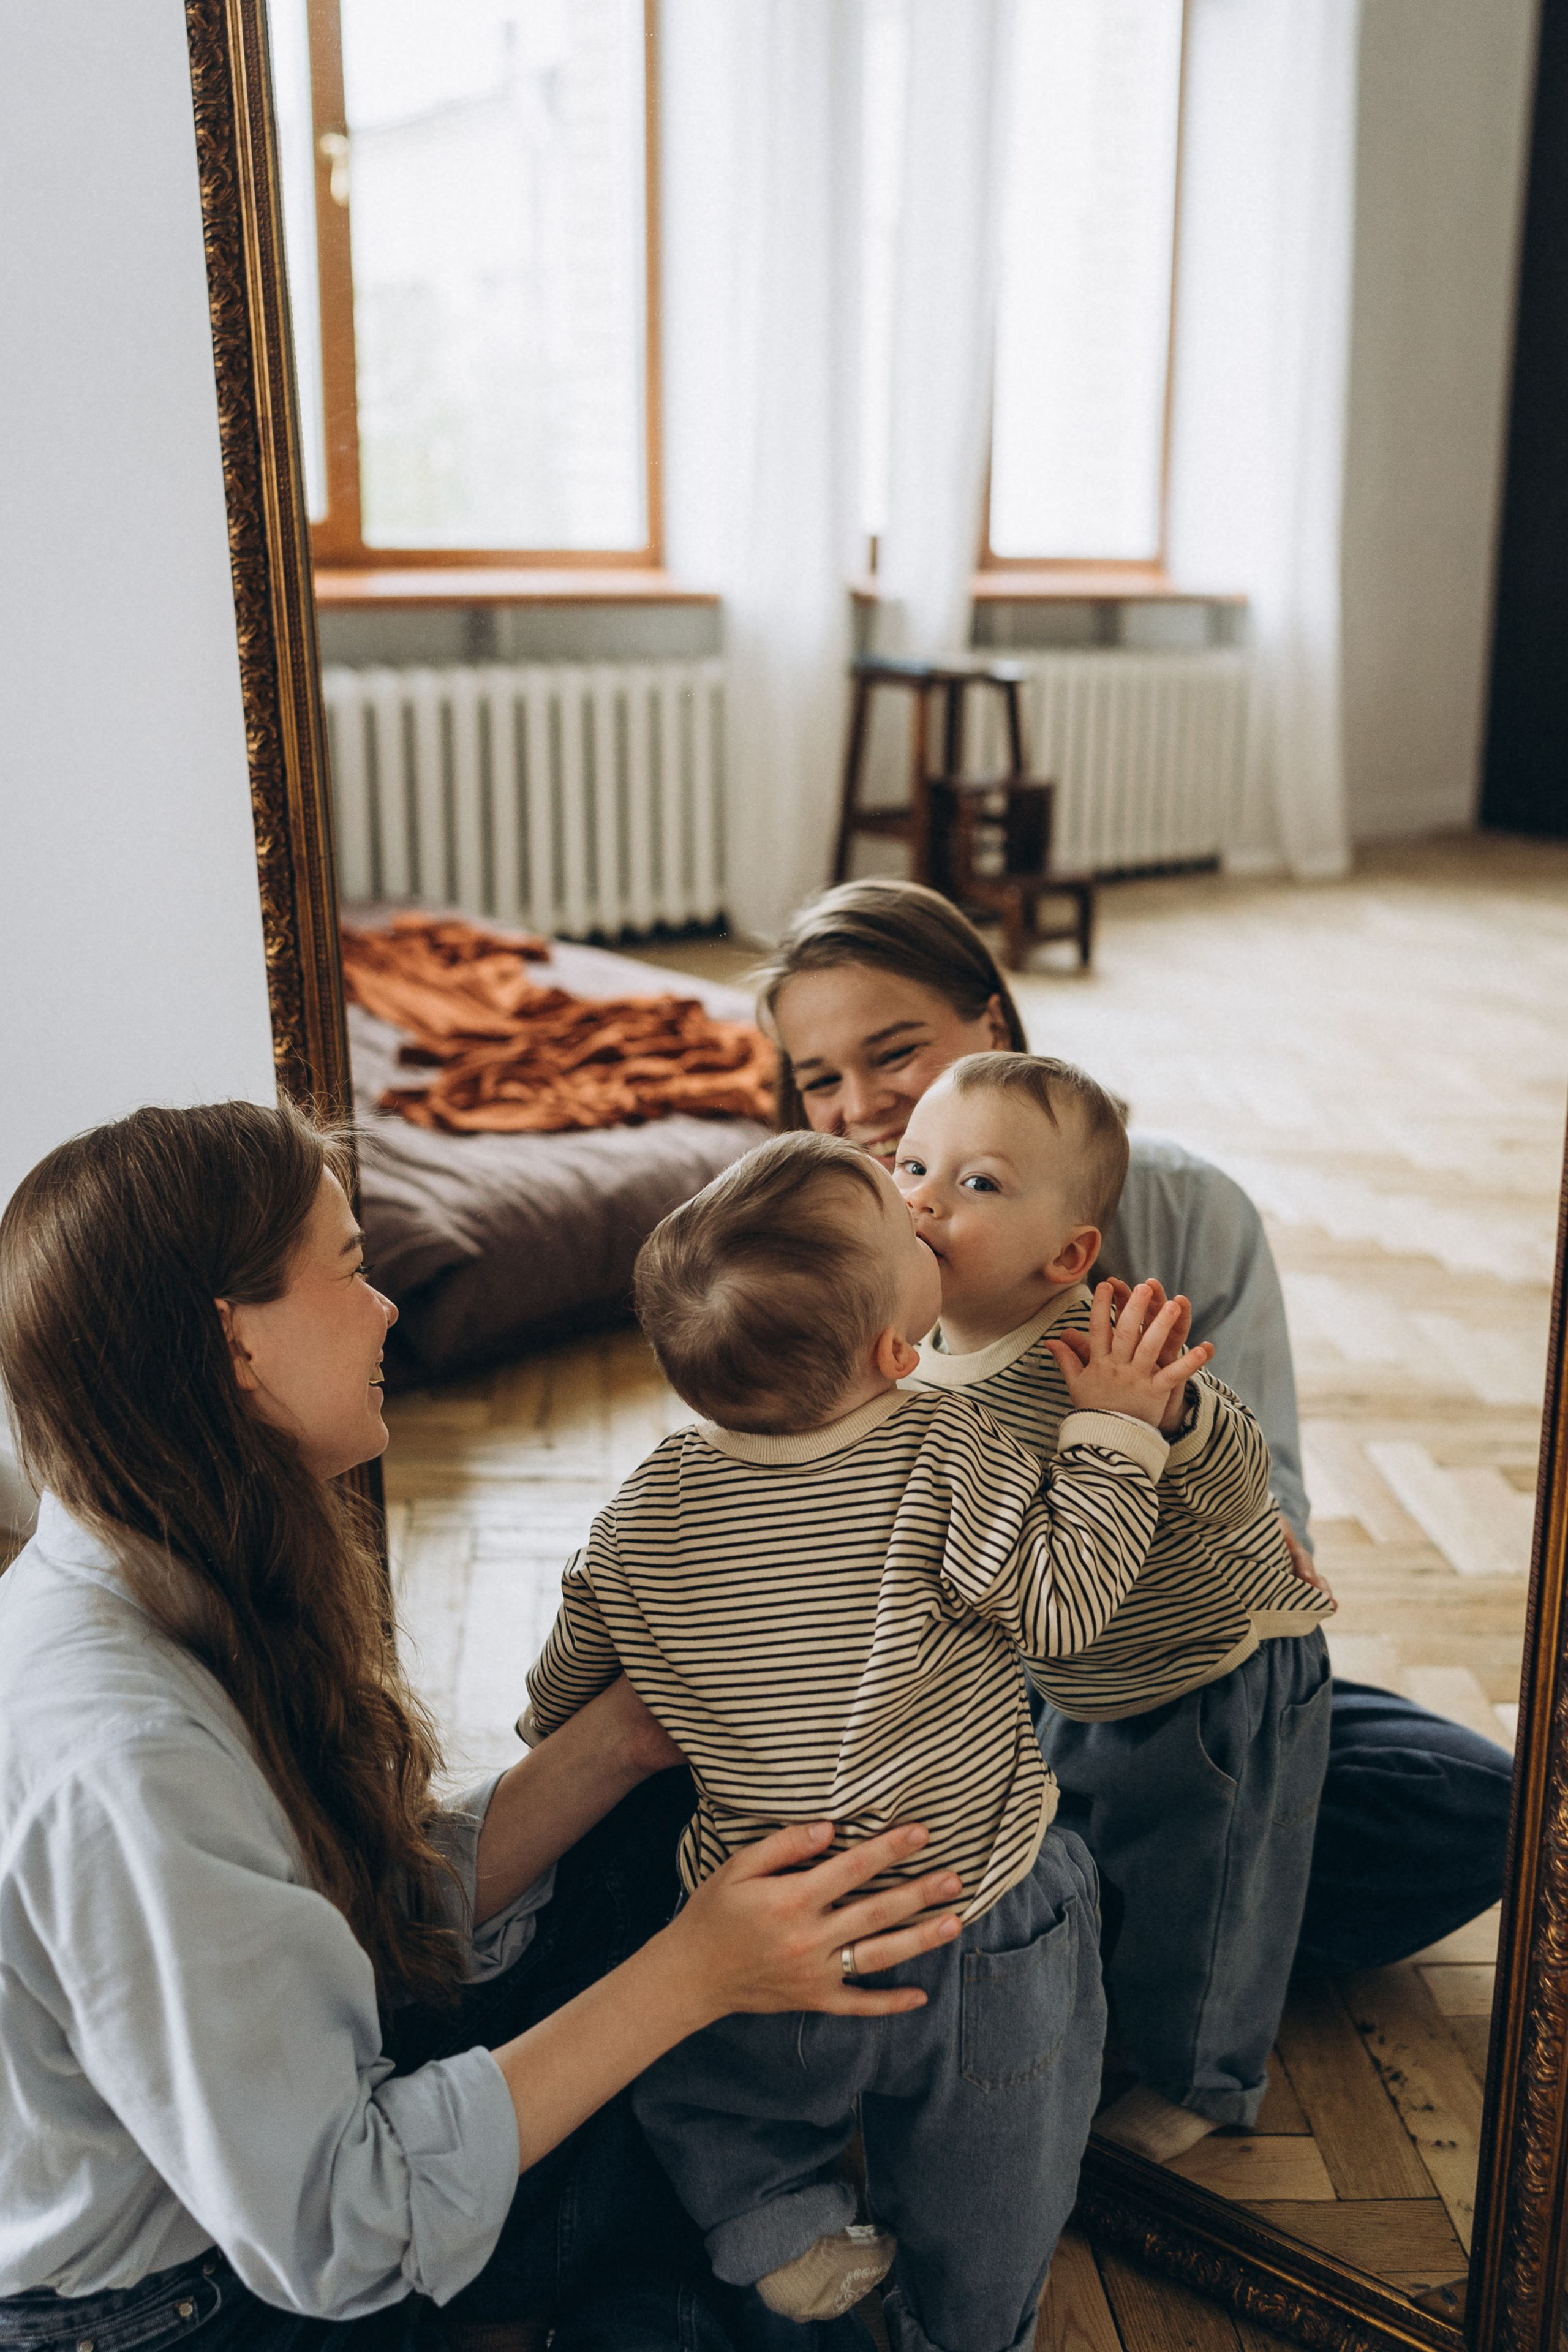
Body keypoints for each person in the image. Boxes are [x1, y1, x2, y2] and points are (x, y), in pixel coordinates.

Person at [0, 1102, 967, 2352]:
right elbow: (336, 2227)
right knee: (697, 2185)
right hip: (204, 2307)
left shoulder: (148, 1561)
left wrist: (618, 1738)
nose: (387, 1304)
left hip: (257, 2174)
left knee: (651, 1828)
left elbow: (337, 1910)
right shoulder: (126, 1759)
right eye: (349, 1269)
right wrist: (693, 1977)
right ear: (235, 1343)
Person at [522, 1129, 1206, 2352]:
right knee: (996, 2164)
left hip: (770, 1925)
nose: (918, 1205)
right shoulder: (944, 1448)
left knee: (722, 2098)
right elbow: (1059, 1608)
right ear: (899, 1353)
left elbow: (574, 1680)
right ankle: (968, 2329)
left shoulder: (640, 1512)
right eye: (898, 1215)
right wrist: (1112, 1436)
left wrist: (553, 1722)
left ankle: (775, 2221)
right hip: (976, 1918)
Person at [755, 878, 1513, 1974]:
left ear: (994, 1027)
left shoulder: (1187, 1212)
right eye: (819, 1077)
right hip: (953, 1698)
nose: (860, 1105)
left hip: (1167, 1664)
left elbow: (1270, 1521)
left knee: (1484, 1806)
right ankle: (1138, 1927)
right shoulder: (807, 1254)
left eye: (895, 1052)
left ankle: (1098, 1929)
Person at [898, 1054, 1333, 2161]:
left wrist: (1172, 1419)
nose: (925, 1198)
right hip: (1076, 1664)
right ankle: (1089, 2022)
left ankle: (1206, 2074)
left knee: (1209, 1879)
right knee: (1087, 1848)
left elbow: (1242, 1480)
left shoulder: (1103, 1343)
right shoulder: (916, 1346)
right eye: (910, 1165)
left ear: (1071, 1252)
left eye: (979, 1182)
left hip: (1215, 1666)